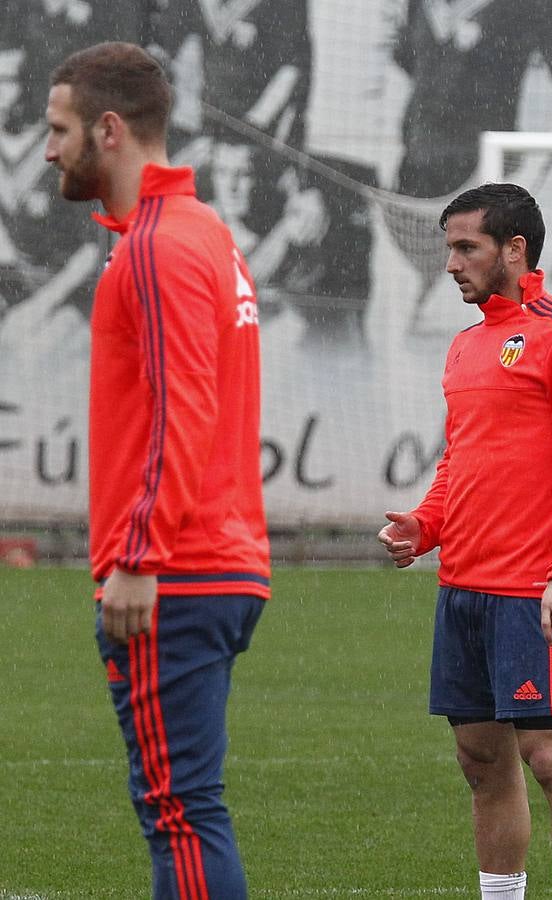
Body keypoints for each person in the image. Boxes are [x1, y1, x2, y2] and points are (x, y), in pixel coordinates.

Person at [45, 42, 270, 897]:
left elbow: (186, 408)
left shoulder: (160, 245)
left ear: (109, 129)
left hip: (174, 571)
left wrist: (137, 557)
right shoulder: (201, 233)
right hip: (212, 562)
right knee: (186, 808)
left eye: (60, 129)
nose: (49, 150)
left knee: (180, 813)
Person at [377, 183, 552, 900]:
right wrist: (424, 526)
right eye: (449, 247)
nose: (451, 263)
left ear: (515, 249)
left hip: (532, 594)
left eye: (466, 247)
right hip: (463, 590)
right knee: (480, 761)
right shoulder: (466, 345)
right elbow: (462, 458)